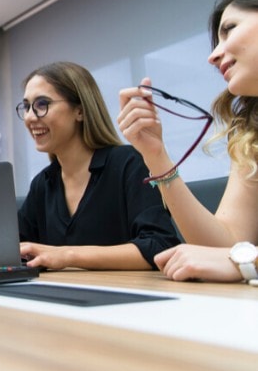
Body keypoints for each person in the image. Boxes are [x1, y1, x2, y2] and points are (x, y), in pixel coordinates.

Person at [118, 0, 258, 283]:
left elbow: (233, 259)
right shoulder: (250, 137)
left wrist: (250, 263)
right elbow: (222, 249)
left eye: (230, 29)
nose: (213, 55)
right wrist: (156, 155)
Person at [17, 62, 180, 270]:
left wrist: (68, 255)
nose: (30, 117)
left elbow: (160, 246)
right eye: (26, 107)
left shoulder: (129, 163)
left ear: (80, 111)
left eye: (42, 104)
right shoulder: (43, 183)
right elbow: (14, 247)